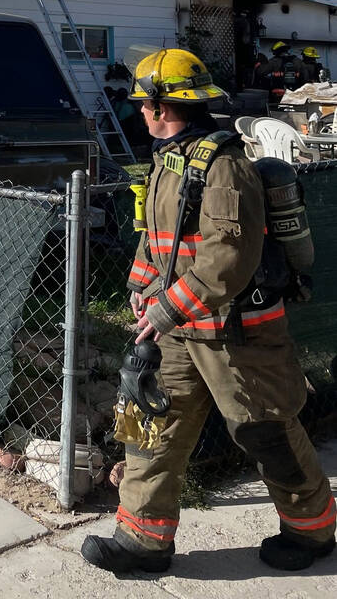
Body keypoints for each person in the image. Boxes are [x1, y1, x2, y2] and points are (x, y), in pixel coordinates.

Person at [81, 48, 335, 576]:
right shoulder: (167, 159)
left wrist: (166, 311)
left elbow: (227, 261)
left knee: (266, 432)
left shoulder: (225, 167)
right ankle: (142, 540)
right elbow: (158, 237)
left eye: (143, 103)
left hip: (238, 333)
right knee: (152, 425)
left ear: (161, 106)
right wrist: (140, 283)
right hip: (181, 329)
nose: (139, 111)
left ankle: (311, 531)